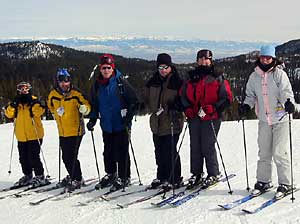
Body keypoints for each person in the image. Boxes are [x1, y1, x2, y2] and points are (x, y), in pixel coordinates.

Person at [239, 45, 296, 198]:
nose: (265, 59)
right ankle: (264, 181)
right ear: (259, 58)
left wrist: (289, 102)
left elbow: (286, 92)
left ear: (273, 58)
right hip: (264, 119)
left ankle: (286, 183)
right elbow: (250, 95)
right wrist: (246, 105)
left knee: (279, 152)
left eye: (268, 57)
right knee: (264, 152)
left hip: (281, 118)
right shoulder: (254, 76)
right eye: (263, 57)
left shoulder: (279, 74)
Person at [180, 49, 232, 189]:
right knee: (195, 146)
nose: (203, 61)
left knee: (207, 145)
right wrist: (187, 108)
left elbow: (227, 98)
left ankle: (213, 173)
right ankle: (196, 174)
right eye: (201, 59)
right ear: (197, 61)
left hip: (212, 117)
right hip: (195, 116)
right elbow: (182, 95)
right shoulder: (191, 77)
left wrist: (214, 107)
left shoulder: (217, 76)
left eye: (206, 59)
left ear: (211, 60)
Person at [87, 54, 139, 191]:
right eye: (103, 68)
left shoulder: (121, 82)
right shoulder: (97, 85)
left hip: (121, 123)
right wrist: (92, 119)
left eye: (108, 68)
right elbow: (94, 104)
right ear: (100, 68)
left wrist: (129, 115)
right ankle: (111, 174)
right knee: (108, 152)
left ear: (113, 68)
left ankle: (124, 176)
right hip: (106, 124)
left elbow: (134, 100)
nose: (106, 70)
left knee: (122, 151)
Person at [144, 53, 184, 190]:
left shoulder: (176, 81)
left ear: (170, 67)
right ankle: (162, 176)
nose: (163, 70)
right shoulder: (153, 82)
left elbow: (184, 99)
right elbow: (146, 97)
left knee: (170, 151)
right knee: (159, 151)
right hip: (157, 123)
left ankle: (175, 178)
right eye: (160, 67)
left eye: (165, 67)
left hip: (172, 121)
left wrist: (177, 106)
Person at [47, 68, 91, 191]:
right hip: (63, 131)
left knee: (71, 156)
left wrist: (85, 109)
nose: (64, 84)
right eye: (61, 81)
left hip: (76, 130)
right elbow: (50, 106)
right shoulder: (53, 95)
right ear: (57, 82)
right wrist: (57, 114)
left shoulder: (76, 94)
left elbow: (87, 105)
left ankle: (77, 178)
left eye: (66, 81)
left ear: (69, 81)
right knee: (66, 157)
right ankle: (73, 175)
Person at [5, 82, 50, 188]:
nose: (23, 91)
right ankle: (28, 175)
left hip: (34, 134)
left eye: (26, 89)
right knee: (23, 158)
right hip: (21, 135)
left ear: (29, 90)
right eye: (21, 89)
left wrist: (33, 105)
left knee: (34, 156)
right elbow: (8, 114)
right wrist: (13, 105)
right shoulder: (16, 103)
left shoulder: (34, 101)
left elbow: (39, 112)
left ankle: (40, 176)